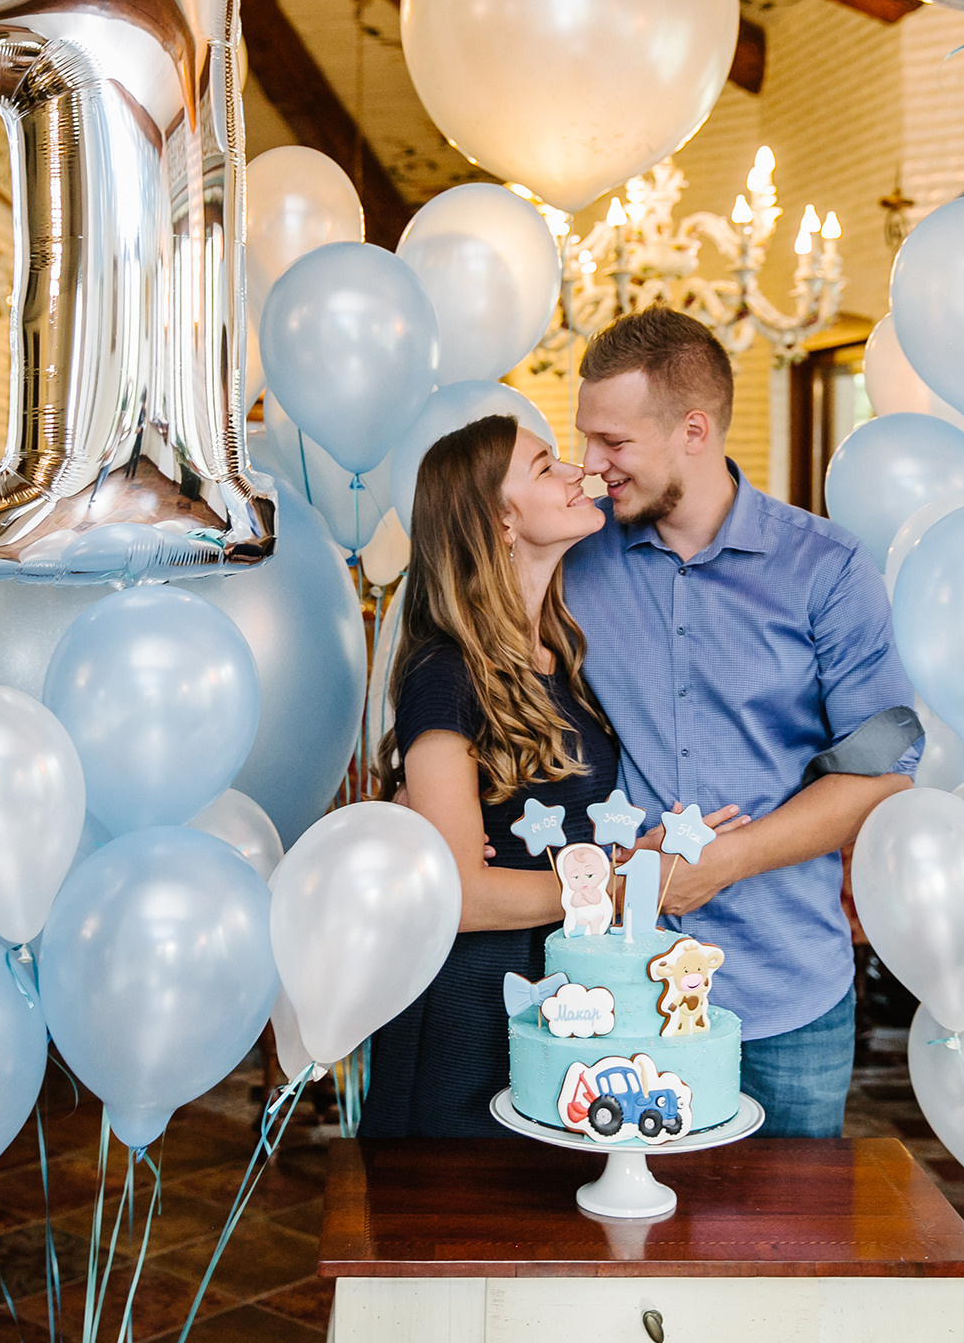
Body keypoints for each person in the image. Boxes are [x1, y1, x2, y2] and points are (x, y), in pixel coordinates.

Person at [563, 306, 923, 1138]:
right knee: (628, 1253)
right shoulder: (575, 562)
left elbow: (883, 770)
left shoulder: (826, 570)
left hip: (786, 990)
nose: (592, 466)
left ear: (694, 429)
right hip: (620, 990)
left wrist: (721, 863)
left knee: (788, 1260)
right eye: (586, 440)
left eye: (613, 444)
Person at [360, 413, 746, 1139]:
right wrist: (624, 887)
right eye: (545, 467)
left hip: (560, 1004)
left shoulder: (559, 657)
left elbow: (563, 839)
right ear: (499, 521)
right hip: (469, 1012)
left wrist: (633, 859)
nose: (578, 472)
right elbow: (459, 897)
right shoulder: (444, 673)